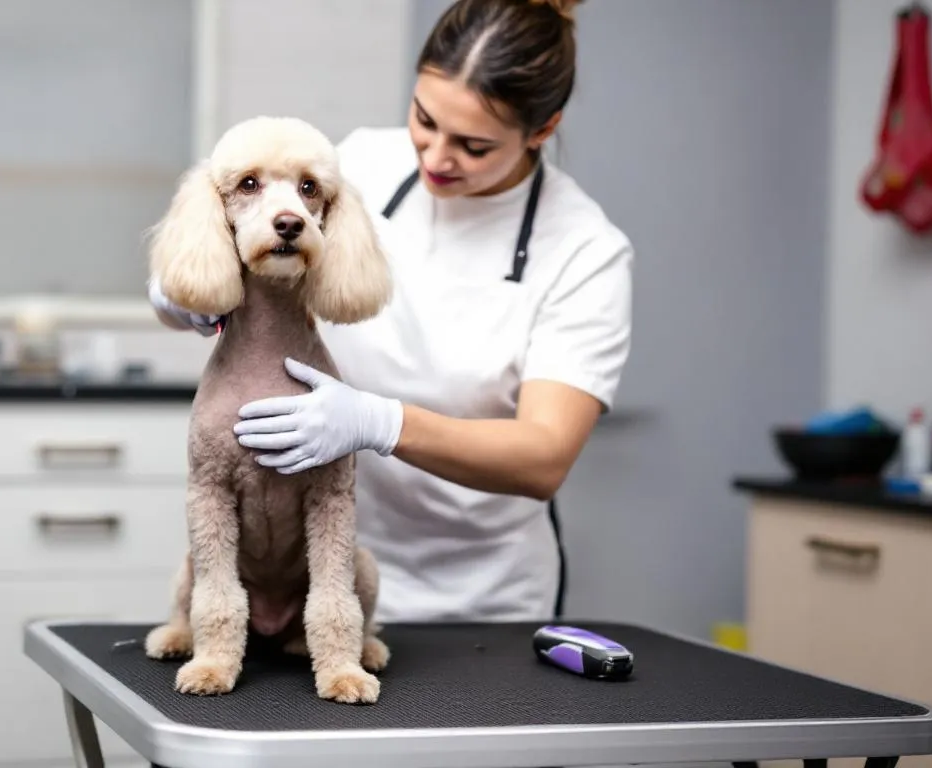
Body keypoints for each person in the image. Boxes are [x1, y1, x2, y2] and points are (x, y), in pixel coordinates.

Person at [149, 0, 632, 624]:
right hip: (325, 575)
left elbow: (544, 457)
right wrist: (177, 295)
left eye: (474, 145)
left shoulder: (585, 250)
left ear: (542, 130)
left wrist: (382, 423)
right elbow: (243, 239)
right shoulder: (360, 167)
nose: (434, 157)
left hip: (485, 599)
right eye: (424, 120)